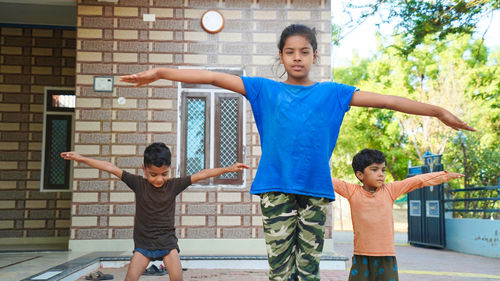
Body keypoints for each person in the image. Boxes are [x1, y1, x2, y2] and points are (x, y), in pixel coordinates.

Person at [120, 24, 474, 281]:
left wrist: (437, 111)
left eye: (304, 51)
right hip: (275, 191)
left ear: (315, 55)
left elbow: (388, 101)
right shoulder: (263, 90)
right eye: (290, 51)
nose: (297, 57)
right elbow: (212, 77)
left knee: (308, 269)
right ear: (281, 56)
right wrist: (162, 72)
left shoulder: (333, 94)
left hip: (316, 193)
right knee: (279, 270)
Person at [60, 142, 248, 281]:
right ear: (144, 169)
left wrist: (228, 169)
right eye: (153, 174)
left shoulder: (174, 185)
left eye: (164, 174)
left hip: (167, 243)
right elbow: (110, 167)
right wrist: (82, 158)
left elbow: (202, 174)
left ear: (169, 170)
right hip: (144, 245)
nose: (159, 179)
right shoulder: (137, 184)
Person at [333, 148, 464, 281]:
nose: (381, 174)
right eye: (374, 169)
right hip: (361, 256)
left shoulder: (390, 190)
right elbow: (329, 180)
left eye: (383, 170)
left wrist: (445, 175)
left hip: (386, 257)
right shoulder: (352, 192)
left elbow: (418, 180)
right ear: (360, 175)